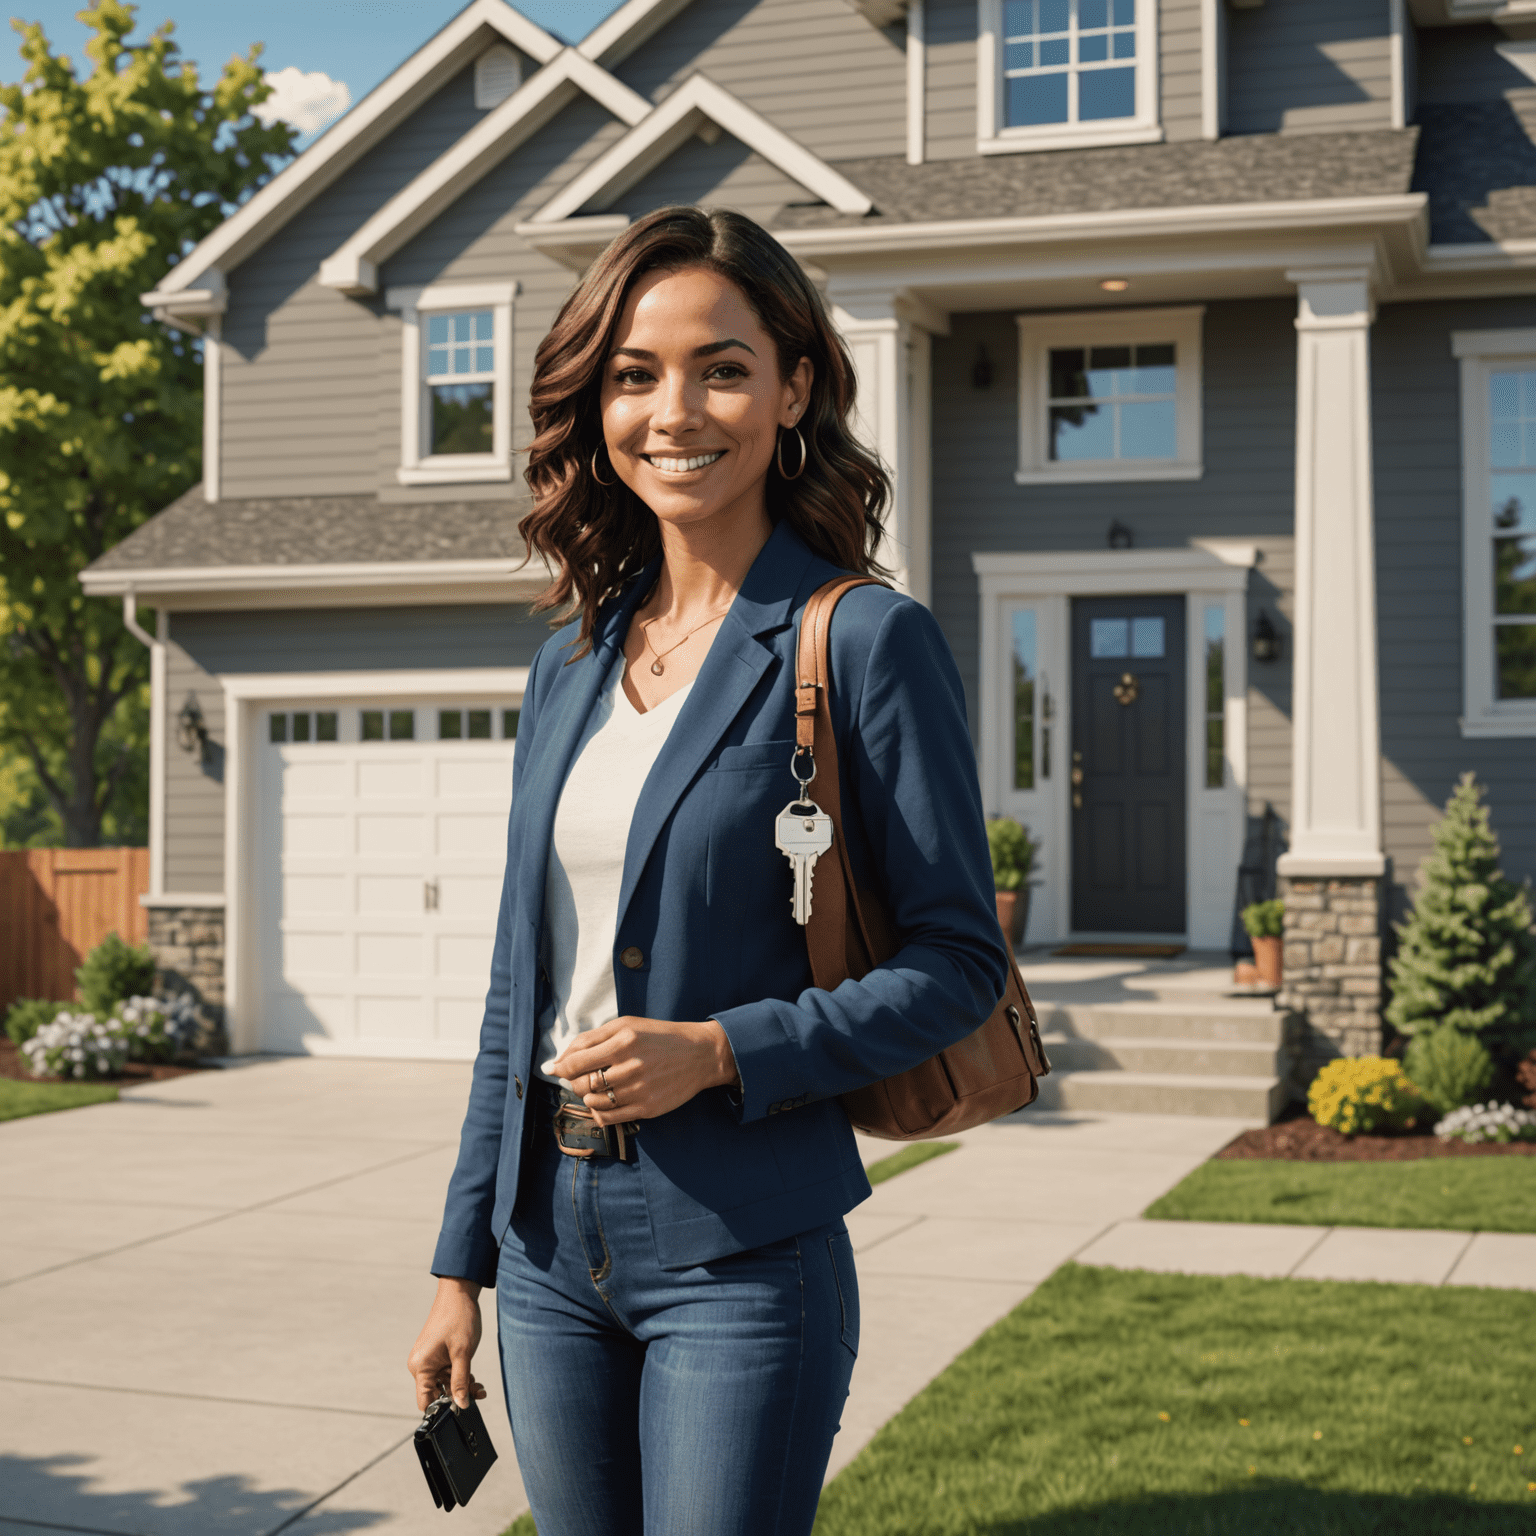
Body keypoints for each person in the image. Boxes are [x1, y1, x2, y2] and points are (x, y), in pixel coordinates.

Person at [406, 205, 1007, 1535]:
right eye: (634, 374)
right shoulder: (568, 665)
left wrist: (722, 1049)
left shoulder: (861, 642)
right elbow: (522, 992)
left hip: (743, 1250)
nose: (674, 410)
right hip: (549, 1247)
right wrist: (463, 1261)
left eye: (721, 367)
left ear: (794, 390)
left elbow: (961, 964)